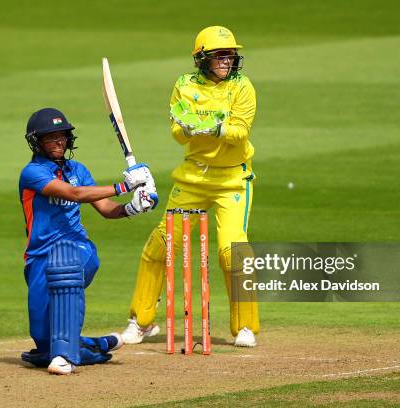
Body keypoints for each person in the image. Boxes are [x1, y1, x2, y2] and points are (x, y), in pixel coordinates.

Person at [121, 26, 259, 347]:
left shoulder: (243, 87)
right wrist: (185, 127)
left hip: (232, 179)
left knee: (232, 252)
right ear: (202, 58)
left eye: (230, 54)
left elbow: (239, 131)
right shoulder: (184, 85)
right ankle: (141, 322)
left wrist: (211, 126)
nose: (227, 60)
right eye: (219, 55)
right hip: (193, 177)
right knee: (162, 244)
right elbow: (178, 133)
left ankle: (245, 327)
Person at [18, 107, 158, 375]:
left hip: (77, 250)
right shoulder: (32, 172)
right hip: (38, 257)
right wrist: (125, 186)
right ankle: (97, 344)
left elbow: (106, 209)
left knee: (65, 270)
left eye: (62, 136)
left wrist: (133, 207)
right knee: (43, 340)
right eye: (51, 137)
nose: (59, 142)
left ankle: (65, 358)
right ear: (37, 142)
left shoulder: (78, 169)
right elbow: (75, 193)